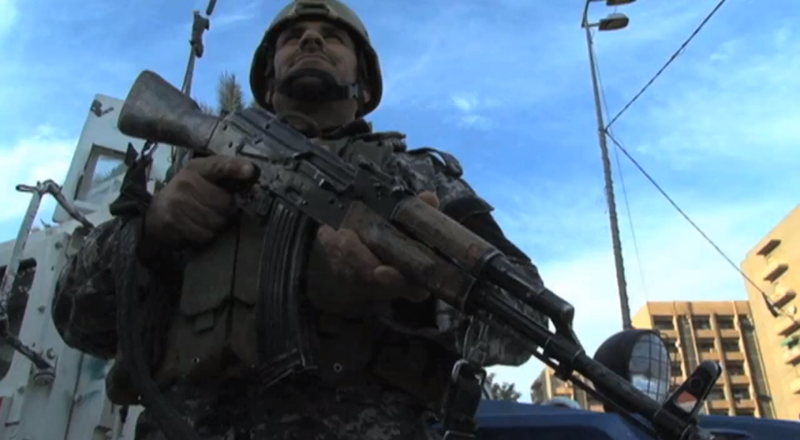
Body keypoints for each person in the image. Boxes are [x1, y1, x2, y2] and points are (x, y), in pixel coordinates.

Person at [51, 1, 549, 439]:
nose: (311, 39)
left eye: (333, 37)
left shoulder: (414, 177)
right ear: (268, 80)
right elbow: (75, 322)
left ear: (365, 82)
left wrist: (410, 298)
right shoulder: (195, 172)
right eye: (292, 38)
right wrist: (152, 232)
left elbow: (522, 322)